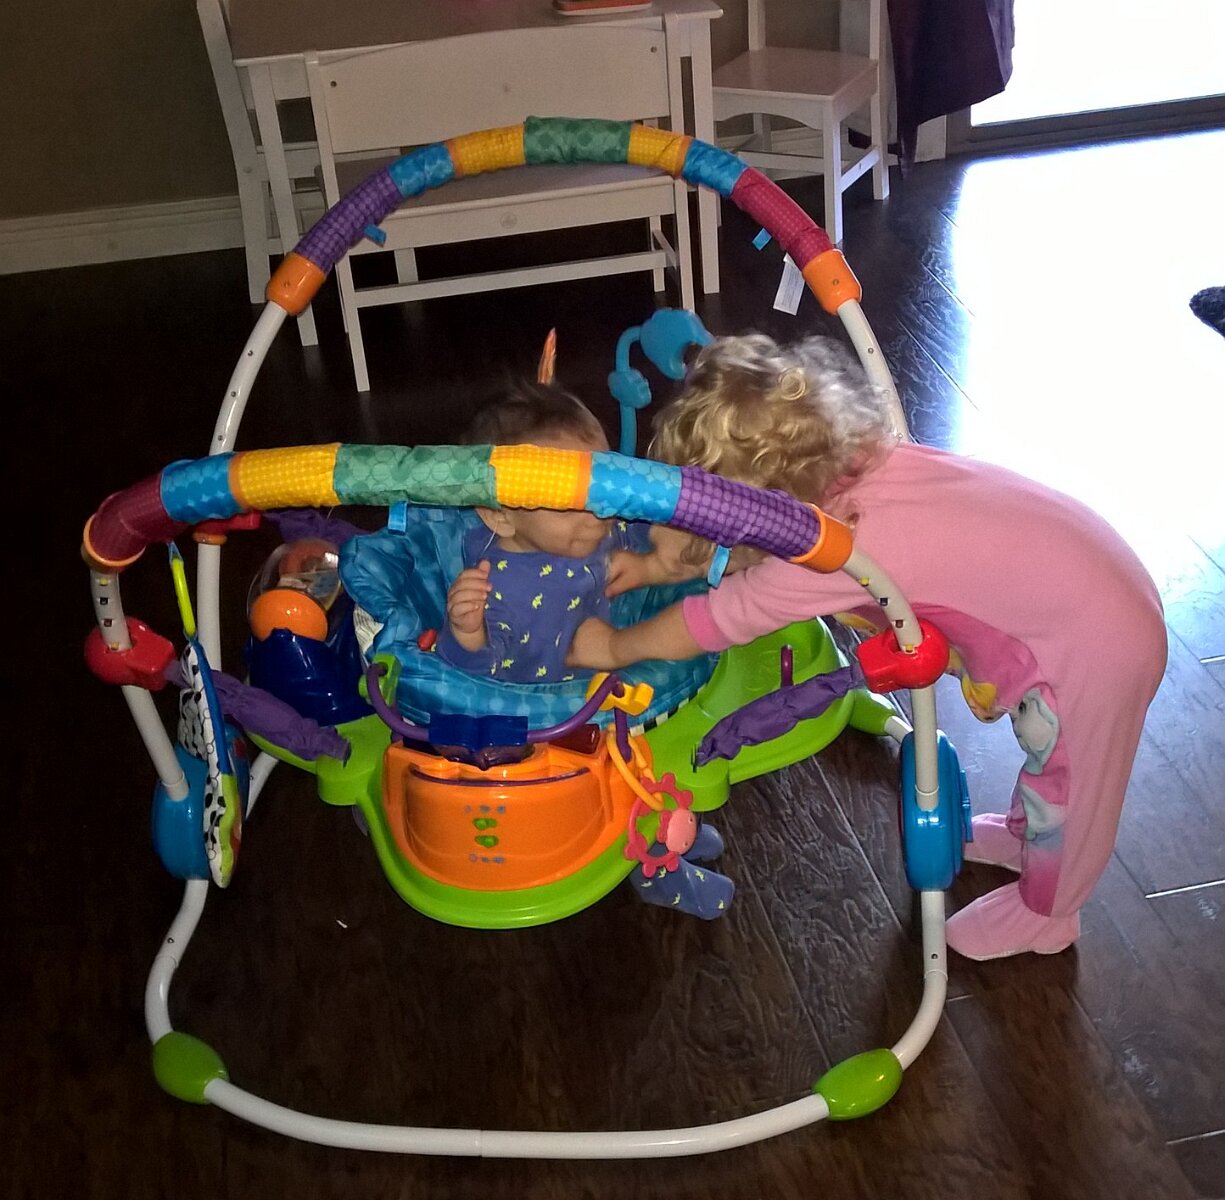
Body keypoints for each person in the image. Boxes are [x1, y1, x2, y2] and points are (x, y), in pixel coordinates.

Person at [568, 332, 1168, 961]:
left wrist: (612, 647)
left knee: (1072, 785)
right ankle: (1028, 841)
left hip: (1096, 643)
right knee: (1053, 770)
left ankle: (1050, 914)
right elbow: (738, 559)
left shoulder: (828, 552)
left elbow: (716, 619)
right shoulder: (855, 461)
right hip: (1092, 578)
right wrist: (656, 568)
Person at [436, 380, 635, 684]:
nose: (599, 510)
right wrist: (468, 632)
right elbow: (470, 677)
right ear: (501, 517)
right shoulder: (498, 586)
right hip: (538, 707)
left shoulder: (595, 528)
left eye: (600, 486)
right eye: (568, 501)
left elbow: (641, 537)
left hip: (606, 687)